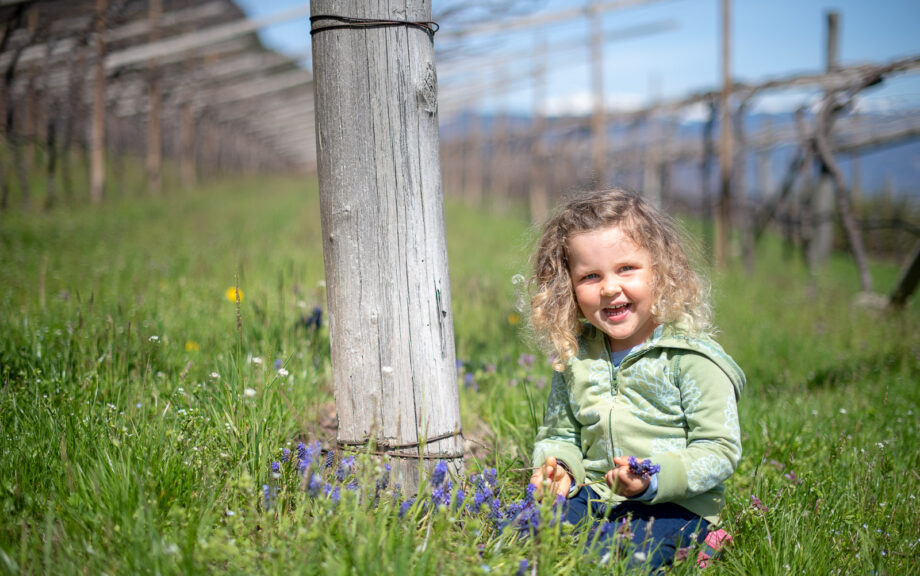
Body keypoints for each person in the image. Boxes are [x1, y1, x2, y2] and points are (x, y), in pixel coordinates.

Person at [526, 189, 745, 570]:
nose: (610, 288)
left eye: (626, 268)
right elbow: (561, 434)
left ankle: (704, 540)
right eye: (590, 276)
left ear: (660, 269)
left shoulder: (690, 358)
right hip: (595, 493)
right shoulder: (577, 357)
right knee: (524, 530)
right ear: (570, 288)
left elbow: (718, 450)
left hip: (675, 504)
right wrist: (557, 468)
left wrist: (652, 479)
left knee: (614, 558)